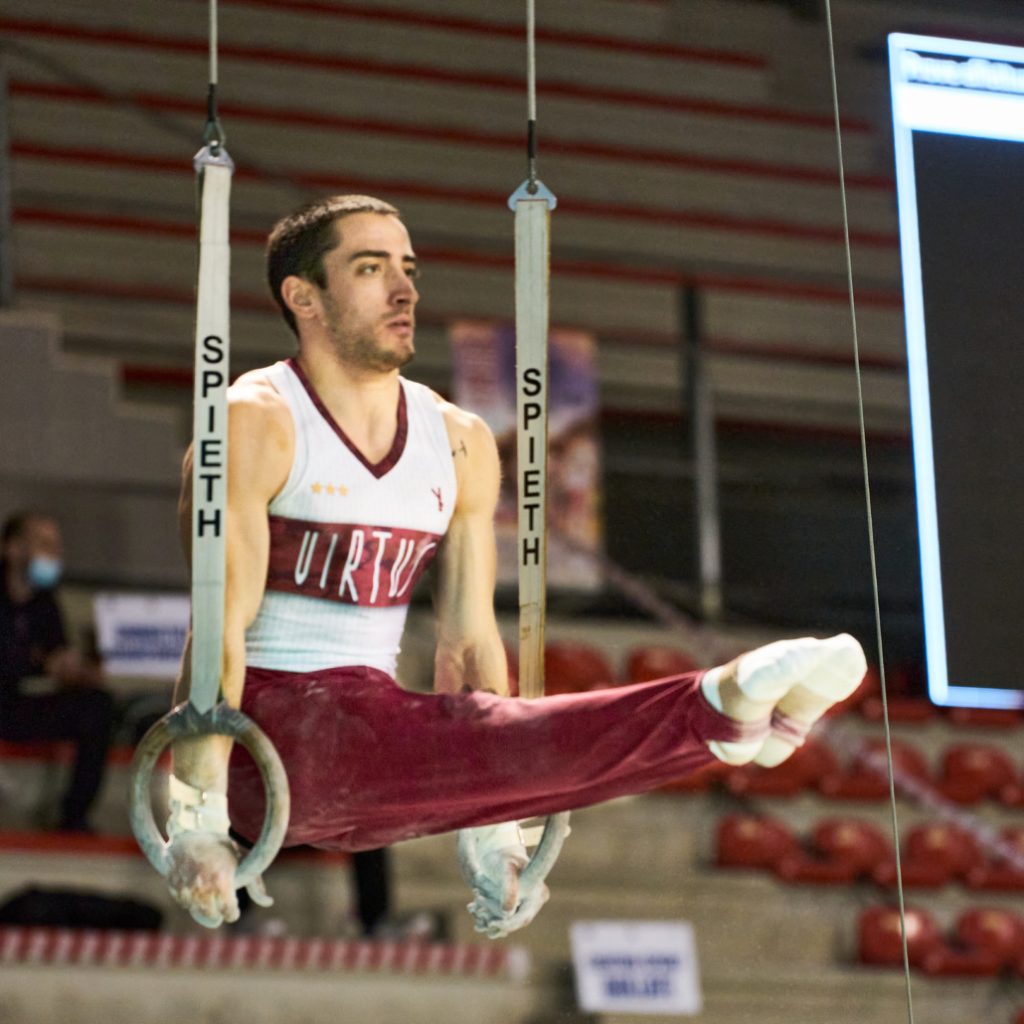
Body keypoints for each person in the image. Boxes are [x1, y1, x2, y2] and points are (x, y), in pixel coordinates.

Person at [166, 195, 867, 936]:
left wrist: (493, 834)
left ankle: (729, 726)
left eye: (408, 269)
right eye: (370, 269)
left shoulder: (459, 440)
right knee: (383, 733)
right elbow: (219, 634)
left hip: (378, 732)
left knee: (497, 727)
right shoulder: (255, 422)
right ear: (303, 297)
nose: (404, 290)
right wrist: (196, 816)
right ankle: (714, 713)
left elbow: (467, 647)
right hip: (270, 751)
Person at [0, 512, 114, 832]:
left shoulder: (45, 602)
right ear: (13, 548)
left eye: (56, 546)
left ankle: (73, 816)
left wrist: (75, 671)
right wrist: (37, 662)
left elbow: (54, 656)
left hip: (22, 707)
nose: (53, 554)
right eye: (44, 544)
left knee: (96, 706)